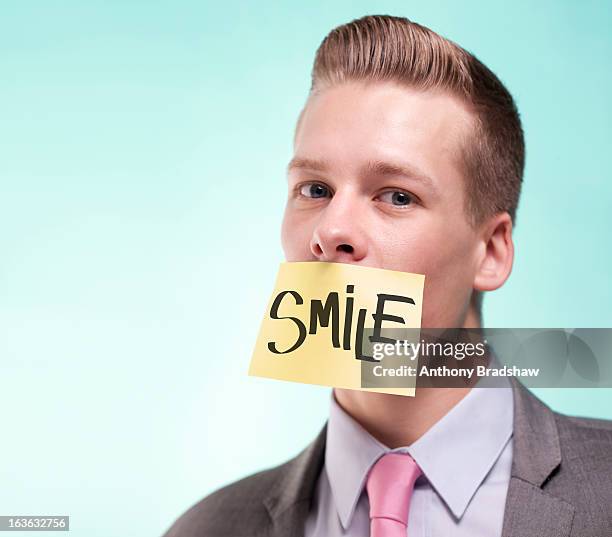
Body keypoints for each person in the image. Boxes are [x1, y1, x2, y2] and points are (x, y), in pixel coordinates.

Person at [162, 15, 612, 537]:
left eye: (397, 196)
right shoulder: (204, 528)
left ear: (490, 252)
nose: (331, 231)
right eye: (314, 189)